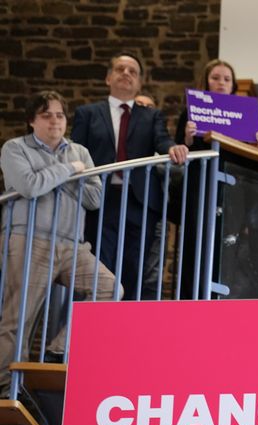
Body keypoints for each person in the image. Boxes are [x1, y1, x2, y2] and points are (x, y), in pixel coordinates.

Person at [0, 91, 117, 390]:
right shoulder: (15, 148)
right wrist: (69, 172)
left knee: (109, 288)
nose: (54, 120)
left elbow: (94, 198)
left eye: (60, 115)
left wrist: (56, 177)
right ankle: (6, 390)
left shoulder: (80, 152)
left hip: (73, 244)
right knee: (18, 320)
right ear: (31, 121)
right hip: (29, 240)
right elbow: (29, 185)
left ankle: (59, 350)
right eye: (46, 114)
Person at [71, 52, 189, 300]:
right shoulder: (88, 113)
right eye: (120, 69)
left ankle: (124, 330)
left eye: (133, 72)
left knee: (135, 270)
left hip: (140, 203)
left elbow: (162, 140)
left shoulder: (152, 115)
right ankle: (97, 329)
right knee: (100, 268)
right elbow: (76, 150)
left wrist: (173, 147)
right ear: (108, 78)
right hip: (101, 201)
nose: (126, 74)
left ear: (139, 83)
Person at [173, 59, 258, 299]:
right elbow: (181, 152)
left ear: (233, 85)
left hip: (232, 192)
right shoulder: (191, 112)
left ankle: (219, 302)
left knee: (228, 249)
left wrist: (256, 145)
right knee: (196, 246)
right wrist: (188, 138)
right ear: (206, 81)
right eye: (216, 78)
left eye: (226, 79)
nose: (221, 83)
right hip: (200, 189)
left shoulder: (243, 118)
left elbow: (249, 163)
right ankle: (189, 301)